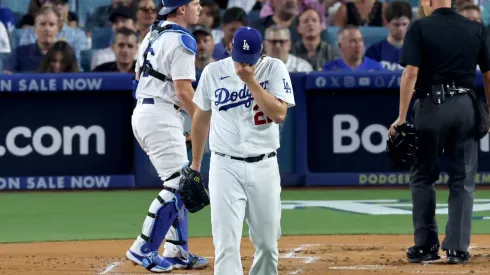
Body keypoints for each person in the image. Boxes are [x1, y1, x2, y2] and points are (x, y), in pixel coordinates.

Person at [389, 0, 490, 265]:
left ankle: (425, 246)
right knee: (463, 180)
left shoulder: (420, 27)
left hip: (431, 107)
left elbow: (411, 73)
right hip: (466, 107)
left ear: (428, 2)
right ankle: (457, 248)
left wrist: (401, 117)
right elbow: (489, 74)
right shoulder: (476, 28)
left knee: (423, 177)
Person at [190, 26, 295, 275]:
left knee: (268, 245)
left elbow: (279, 114)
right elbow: (201, 118)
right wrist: (195, 164)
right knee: (226, 244)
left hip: (264, 164)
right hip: (225, 166)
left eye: (250, 59)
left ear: (261, 51)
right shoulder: (213, 72)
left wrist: (251, 81)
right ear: (229, 48)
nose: (243, 64)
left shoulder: (275, 68)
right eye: (239, 57)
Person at [125, 0, 209, 272]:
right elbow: (184, 91)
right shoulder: (183, 39)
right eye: (195, 2)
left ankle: (176, 250)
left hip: (150, 110)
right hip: (159, 114)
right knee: (177, 186)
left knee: (181, 180)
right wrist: (202, 119)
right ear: (181, 8)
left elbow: (140, 77)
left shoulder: (155, 31)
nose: (200, 7)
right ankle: (143, 248)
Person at [365, 1, 412, 71]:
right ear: (387, 23)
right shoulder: (373, 51)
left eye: (404, 24)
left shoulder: (417, 51)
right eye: (396, 24)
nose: (401, 29)